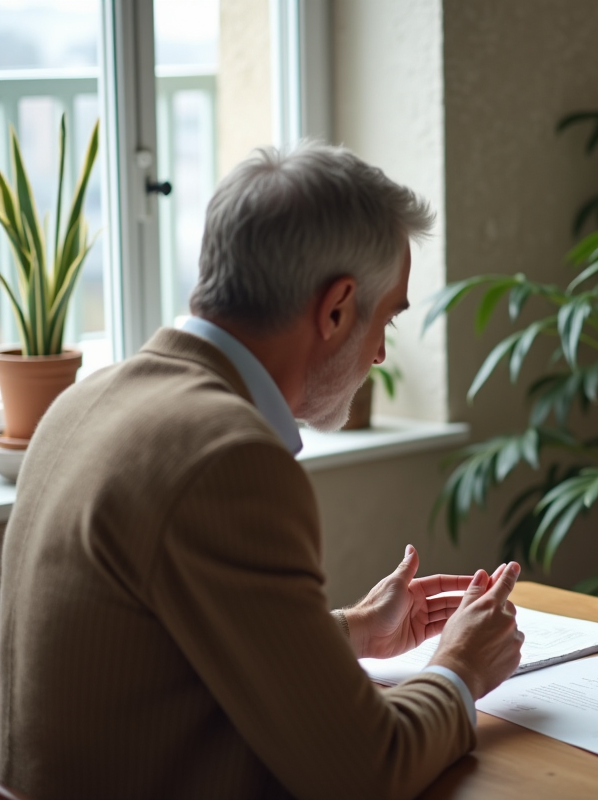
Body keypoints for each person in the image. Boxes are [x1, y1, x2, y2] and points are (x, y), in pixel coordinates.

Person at [0, 143, 525, 799]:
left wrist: (354, 629)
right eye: (387, 316)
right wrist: (461, 667)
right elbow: (365, 773)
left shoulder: (82, 403)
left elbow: (158, 656)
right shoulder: (227, 456)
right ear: (336, 310)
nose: (383, 352)